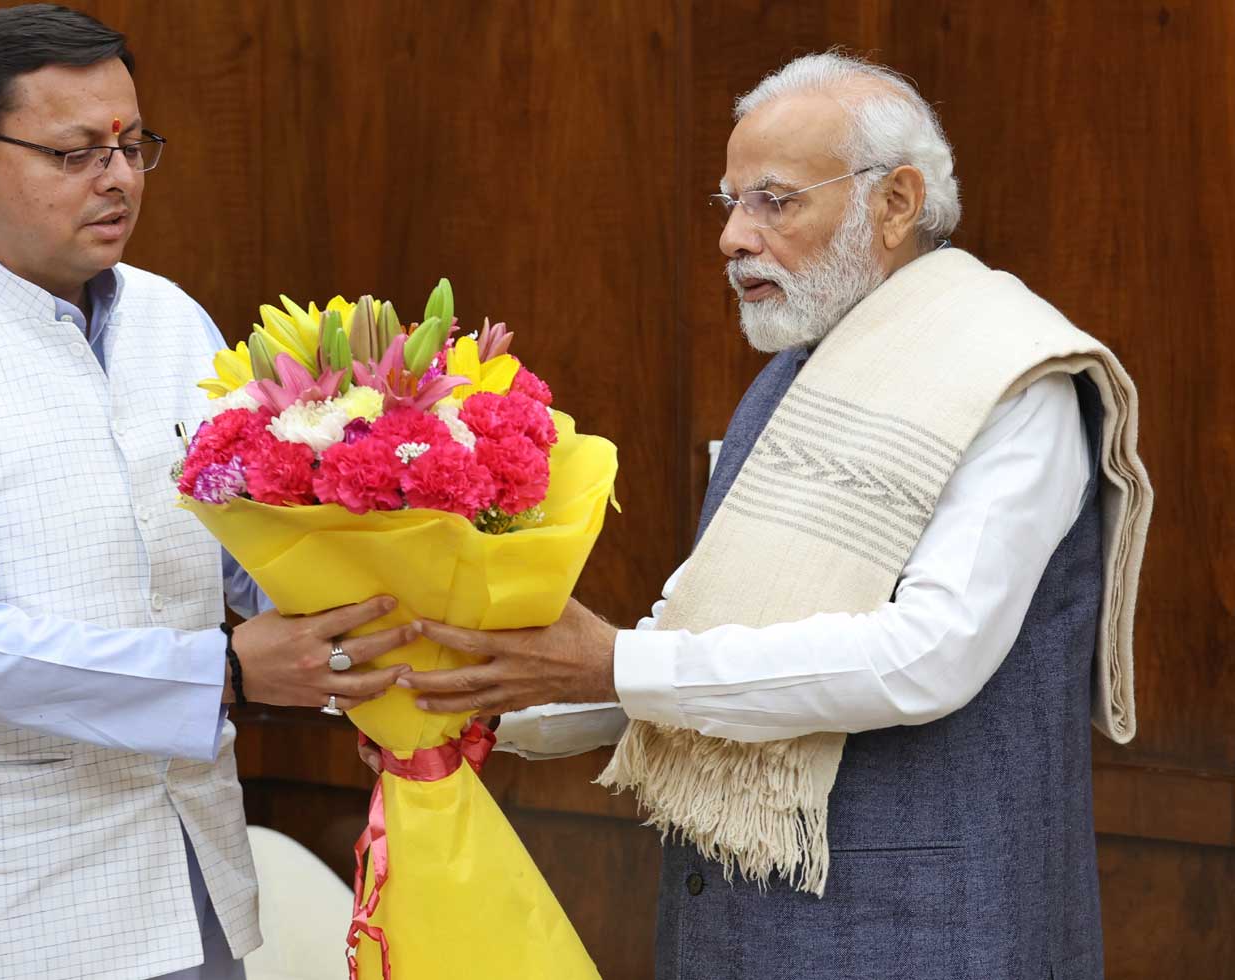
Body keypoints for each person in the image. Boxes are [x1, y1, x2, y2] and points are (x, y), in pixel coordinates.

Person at [387, 52, 1152, 979]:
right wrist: (479, 706)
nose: (733, 239)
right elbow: (697, 639)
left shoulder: (1012, 377)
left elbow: (926, 660)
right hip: (734, 928)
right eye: (730, 204)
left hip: (931, 934)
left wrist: (615, 664)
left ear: (897, 202)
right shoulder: (798, 371)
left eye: (775, 202)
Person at [0, 6, 411, 978]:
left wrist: (374, 631)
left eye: (131, 145)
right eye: (75, 152)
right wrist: (230, 673)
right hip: (1, 918)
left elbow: (247, 563)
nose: (117, 178)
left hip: (190, 883)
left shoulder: (176, 320)